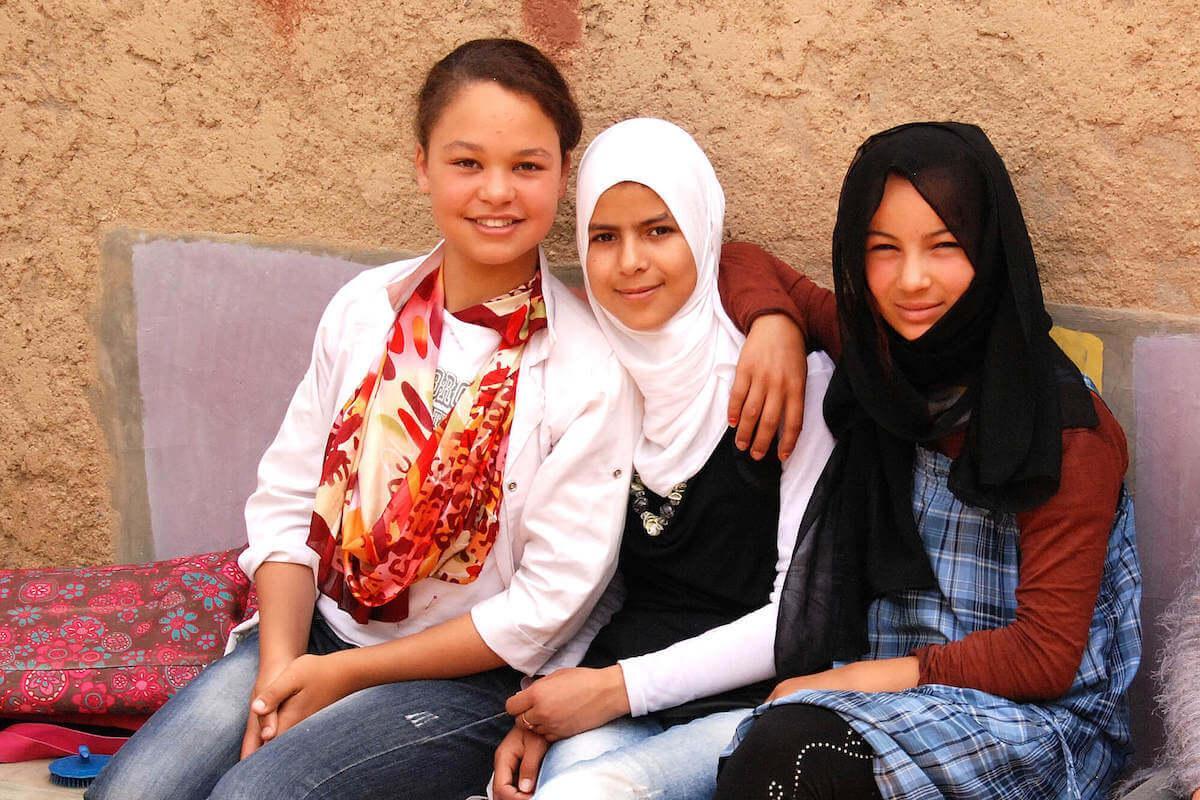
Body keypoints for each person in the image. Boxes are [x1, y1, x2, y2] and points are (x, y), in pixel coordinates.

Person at [85, 38, 642, 800]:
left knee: (254, 795)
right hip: (316, 633)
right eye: (467, 162)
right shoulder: (363, 311)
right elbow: (285, 501)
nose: (497, 191)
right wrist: (283, 668)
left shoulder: (587, 367)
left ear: (562, 175)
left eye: (528, 166)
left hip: (468, 683)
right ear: (421, 165)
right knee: (131, 794)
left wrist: (343, 676)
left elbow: (545, 607)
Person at [713, 122, 1142, 799]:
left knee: (795, 755)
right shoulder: (881, 366)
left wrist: (846, 680)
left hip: (1035, 728)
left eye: (945, 246)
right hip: (889, 708)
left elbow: (1044, 657)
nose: (912, 281)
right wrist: (774, 324)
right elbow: (737, 259)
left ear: (991, 250)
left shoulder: (1061, 431)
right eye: (883, 250)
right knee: (783, 755)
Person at [489, 118, 836, 800]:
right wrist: (543, 703)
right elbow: (593, 576)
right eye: (604, 237)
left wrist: (614, 690)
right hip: (614, 690)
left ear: (702, 232)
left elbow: (798, 616)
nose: (630, 263)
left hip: (753, 704)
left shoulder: (789, 379)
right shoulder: (599, 375)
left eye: (658, 230)